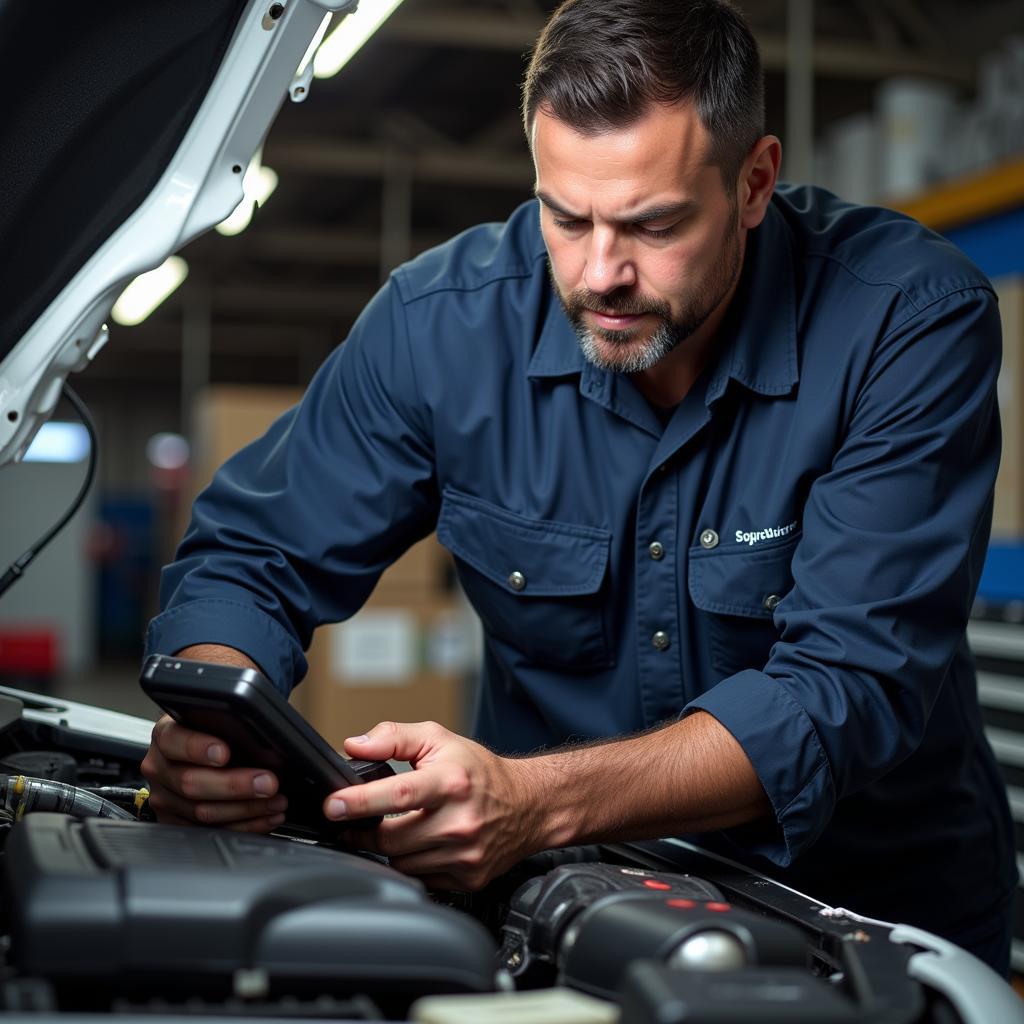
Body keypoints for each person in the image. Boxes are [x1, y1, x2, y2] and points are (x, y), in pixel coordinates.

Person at [140, 0, 1016, 974]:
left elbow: (846, 686)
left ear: (755, 181)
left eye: (653, 223)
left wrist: (532, 798)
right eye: (565, 216)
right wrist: (218, 729)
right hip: (560, 902)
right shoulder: (442, 326)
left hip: (861, 921)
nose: (601, 273)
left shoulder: (906, 319)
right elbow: (249, 557)